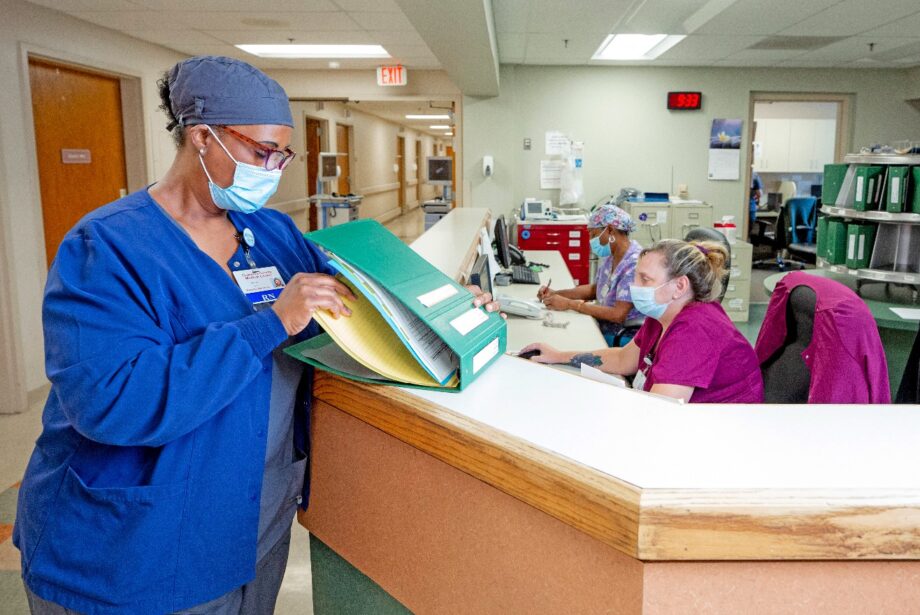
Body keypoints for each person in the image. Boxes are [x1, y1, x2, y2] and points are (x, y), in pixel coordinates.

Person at [14, 56, 499, 614]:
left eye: (281, 154)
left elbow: (361, 303)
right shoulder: (108, 248)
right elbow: (113, 401)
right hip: (133, 546)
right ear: (201, 138)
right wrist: (268, 325)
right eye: (260, 152)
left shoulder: (270, 233)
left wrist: (446, 309)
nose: (273, 169)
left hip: (252, 523)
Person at [522, 239, 764, 403]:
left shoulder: (695, 330)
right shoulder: (663, 313)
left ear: (679, 286)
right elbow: (623, 359)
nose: (633, 286)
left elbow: (659, 414)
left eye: (645, 279)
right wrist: (558, 356)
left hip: (721, 438)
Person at [537, 204, 643, 346]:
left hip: (623, 336)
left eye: (593, 234)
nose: (590, 241)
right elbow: (595, 289)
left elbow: (618, 314)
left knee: (565, 342)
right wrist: (556, 293)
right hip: (603, 324)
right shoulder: (612, 255)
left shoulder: (634, 264)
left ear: (610, 230)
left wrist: (570, 304)